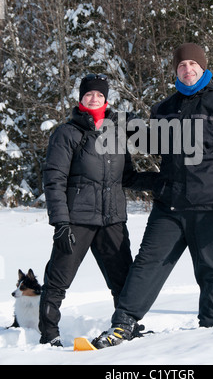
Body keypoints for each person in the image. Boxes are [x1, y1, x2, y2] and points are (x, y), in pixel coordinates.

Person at [91, 43, 213, 349]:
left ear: (204, 68)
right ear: (175, 71)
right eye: (182, 65)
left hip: (211, 206)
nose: (187, 69)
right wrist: (120, 126)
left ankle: (210, 331)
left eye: (193, 64)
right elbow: (149, 143)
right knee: (147, 265)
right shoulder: (164, 109)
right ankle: (123, 323)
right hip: (170, 206)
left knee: (212, 270)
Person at [39, 73, 157, 347]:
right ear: (81, 98)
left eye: (100, 95)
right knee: (58, 279)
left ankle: (127, 328)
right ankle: (49, 334)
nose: (94, 98)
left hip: (112, 219)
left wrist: (160, 181)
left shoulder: (115, 133)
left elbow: (126, 177)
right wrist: (60, 222)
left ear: (107, 99)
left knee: (123, 281)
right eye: (89, 94)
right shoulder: (67, 133)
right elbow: (54, 179)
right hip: (77, 219)